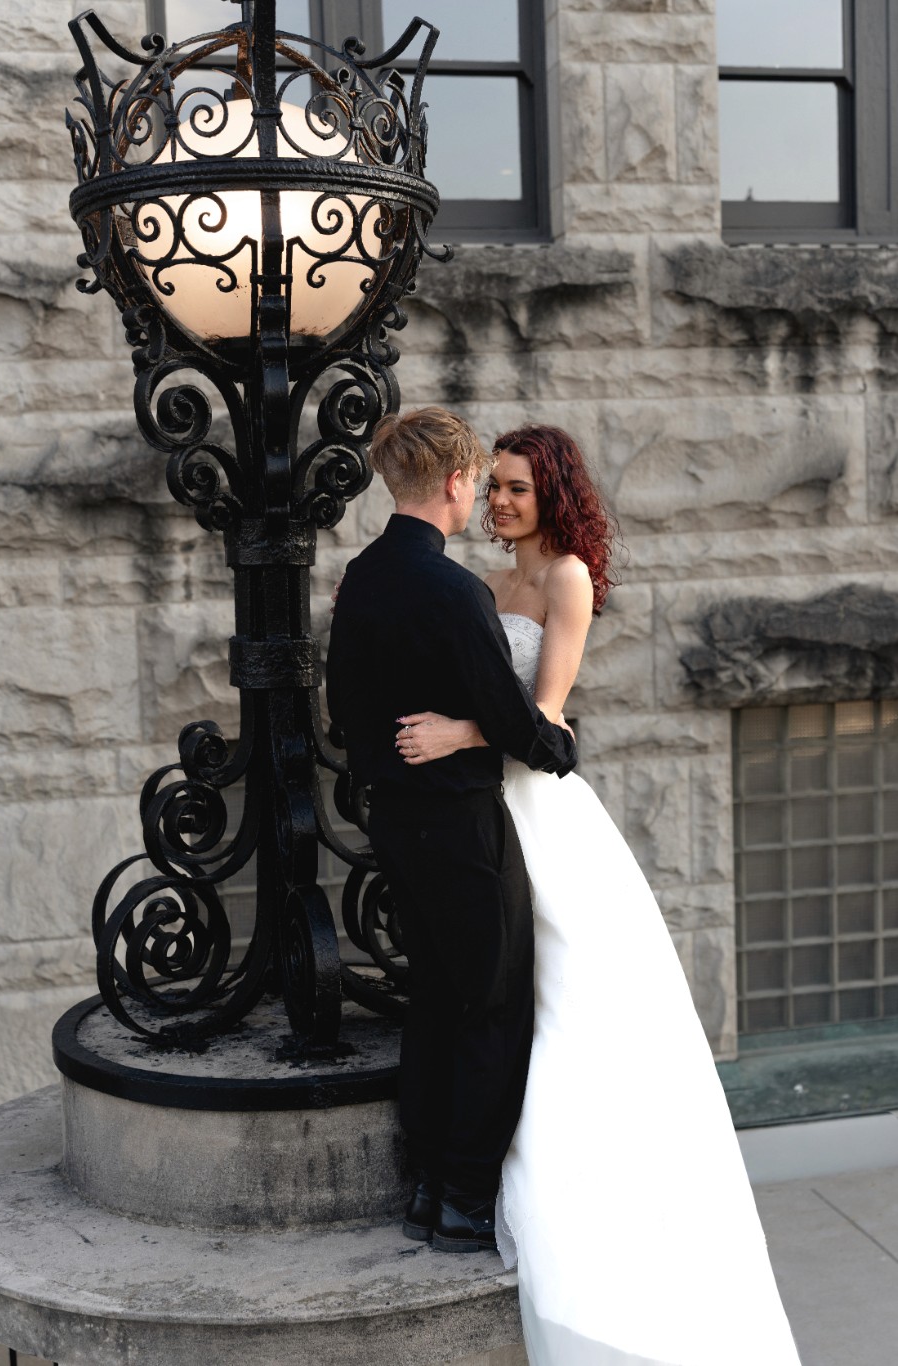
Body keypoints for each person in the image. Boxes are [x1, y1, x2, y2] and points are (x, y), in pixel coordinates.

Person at [395, 425, 802, 1366]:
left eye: (517, 489)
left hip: (531, 799)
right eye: (492, 487)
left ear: (554, 495)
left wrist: (458, 736)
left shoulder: (567, 579)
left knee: (554, 979)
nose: (500, 502)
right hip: (468, 803)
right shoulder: (480, 585)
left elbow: (540, 714)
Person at [325, 407, 577, 1255]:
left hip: (395, 821)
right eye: (483, 483)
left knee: (432, 998)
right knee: (490, 1006)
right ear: (457, 484)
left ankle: (430, 1185)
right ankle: (465, 1196)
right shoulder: (456, 590)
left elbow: (344, 714)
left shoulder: (361, 576)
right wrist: (559, 749)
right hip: (465, 825)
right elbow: (514, 719)